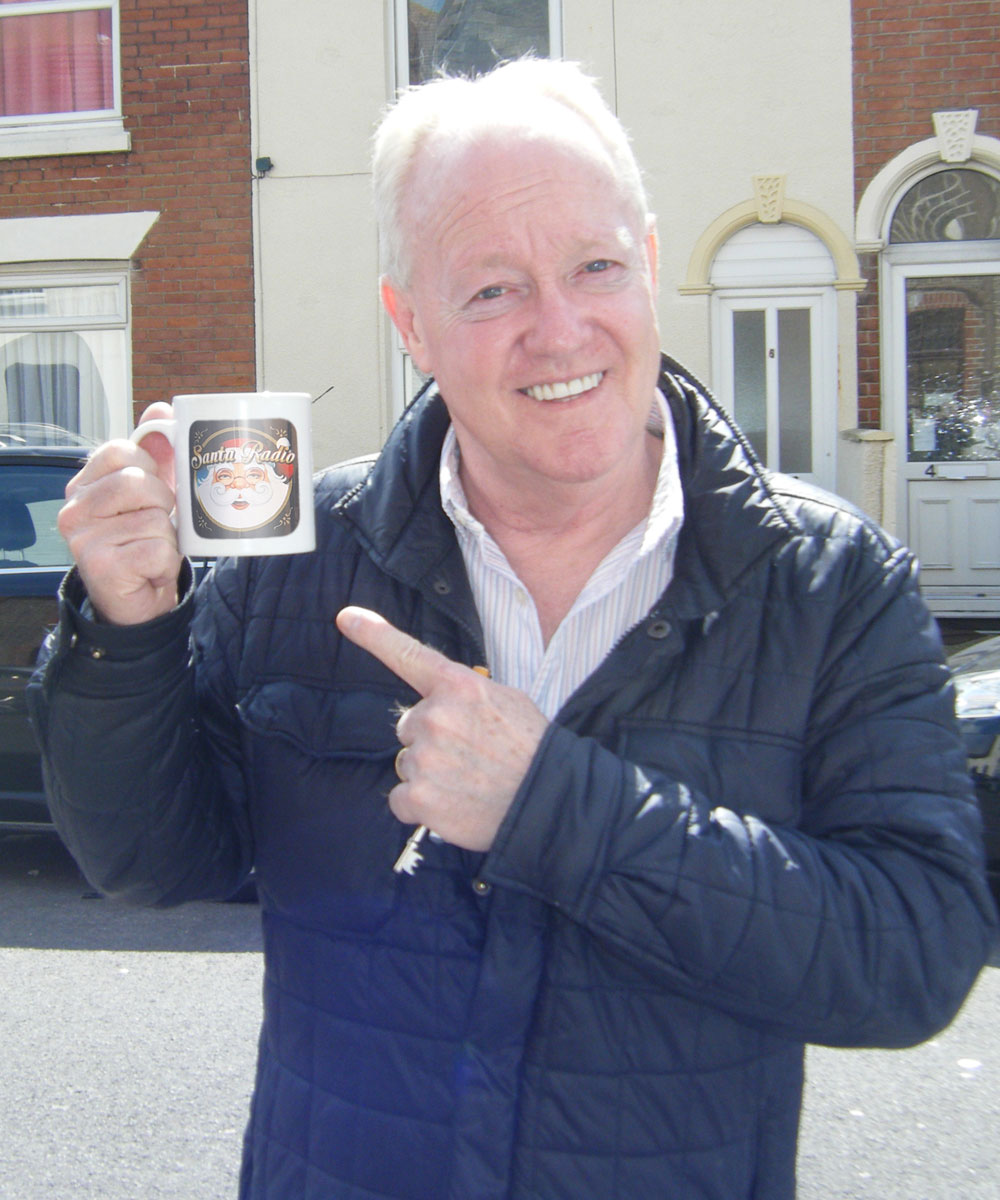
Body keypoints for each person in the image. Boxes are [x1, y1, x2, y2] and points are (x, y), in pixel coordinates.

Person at [29, 58, 997, 1200]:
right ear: (411, 323)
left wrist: (554, 807)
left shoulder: (827, 579)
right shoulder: (300, 557)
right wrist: (126, 626)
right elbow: (149, 860)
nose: (560, 328)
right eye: (491, 289)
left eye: (594, 265)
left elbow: (915, 952)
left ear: (645, 257)